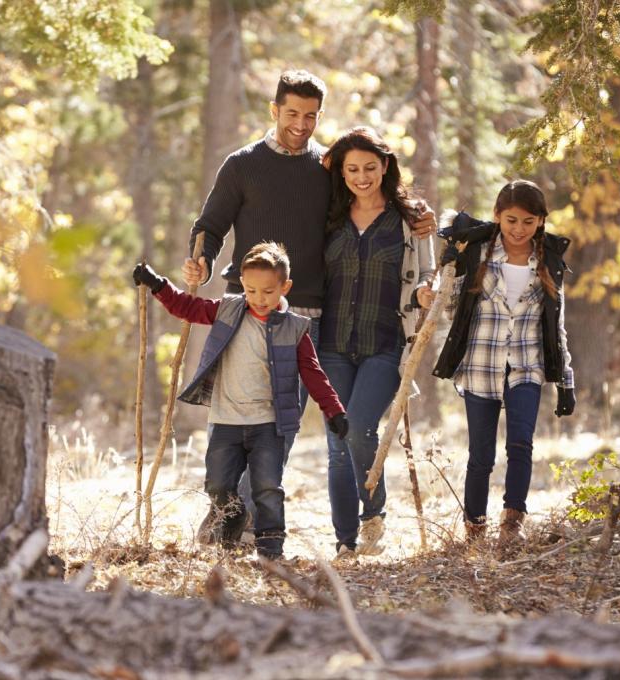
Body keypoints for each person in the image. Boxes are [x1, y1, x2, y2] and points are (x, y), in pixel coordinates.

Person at [183, 70, 436, 540]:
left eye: (311, 116)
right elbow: (211, 225)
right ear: (274, 110)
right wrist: (199, 258)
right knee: (241, 417)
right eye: (293, 113)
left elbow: (373, 200)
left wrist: (419, 214)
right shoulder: (241, 165)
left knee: (283, 424)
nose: (301, 124)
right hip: (248, 311)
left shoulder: (326, 168)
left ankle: (240, 518)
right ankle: (227, 510)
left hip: (308, 319)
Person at [133, 242, 349, 560]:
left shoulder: (295, 328)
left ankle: (271, 549)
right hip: (226, 421)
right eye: (251, 290)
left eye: (267, 291)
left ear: (285, 287)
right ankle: (233, 516)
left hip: (268, 424)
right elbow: (187, 308)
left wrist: (334, 410)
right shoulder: (229, 310)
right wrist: (157, 284)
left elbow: (313, 374)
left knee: (267, 489)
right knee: (217, 485)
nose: (259, 299)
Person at [433, 180, 576, 554]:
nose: (518, 229)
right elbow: (451, 306)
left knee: (521, 444)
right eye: (511, 220)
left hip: (526, 366)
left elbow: (556, 325)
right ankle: (474, 527)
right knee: (481, 454)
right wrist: (446, 274)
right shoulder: (478, 252)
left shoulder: (549, 262)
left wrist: (566, 382)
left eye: (529, 222)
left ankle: (512, 522)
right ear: (497, 216)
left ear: (541, 221)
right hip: (481, 365)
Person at [317, 127, 437, 560]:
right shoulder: (329, 214)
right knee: (336, 443)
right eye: (352, 168)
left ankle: (373, 514)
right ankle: (345, 541)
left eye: (370, 166)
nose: (361, 176)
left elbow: (429, 271)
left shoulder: (410, 220)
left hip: (385, 343)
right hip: (330, 344)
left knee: (360, 428)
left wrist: (427, 290)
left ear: (386, 166)